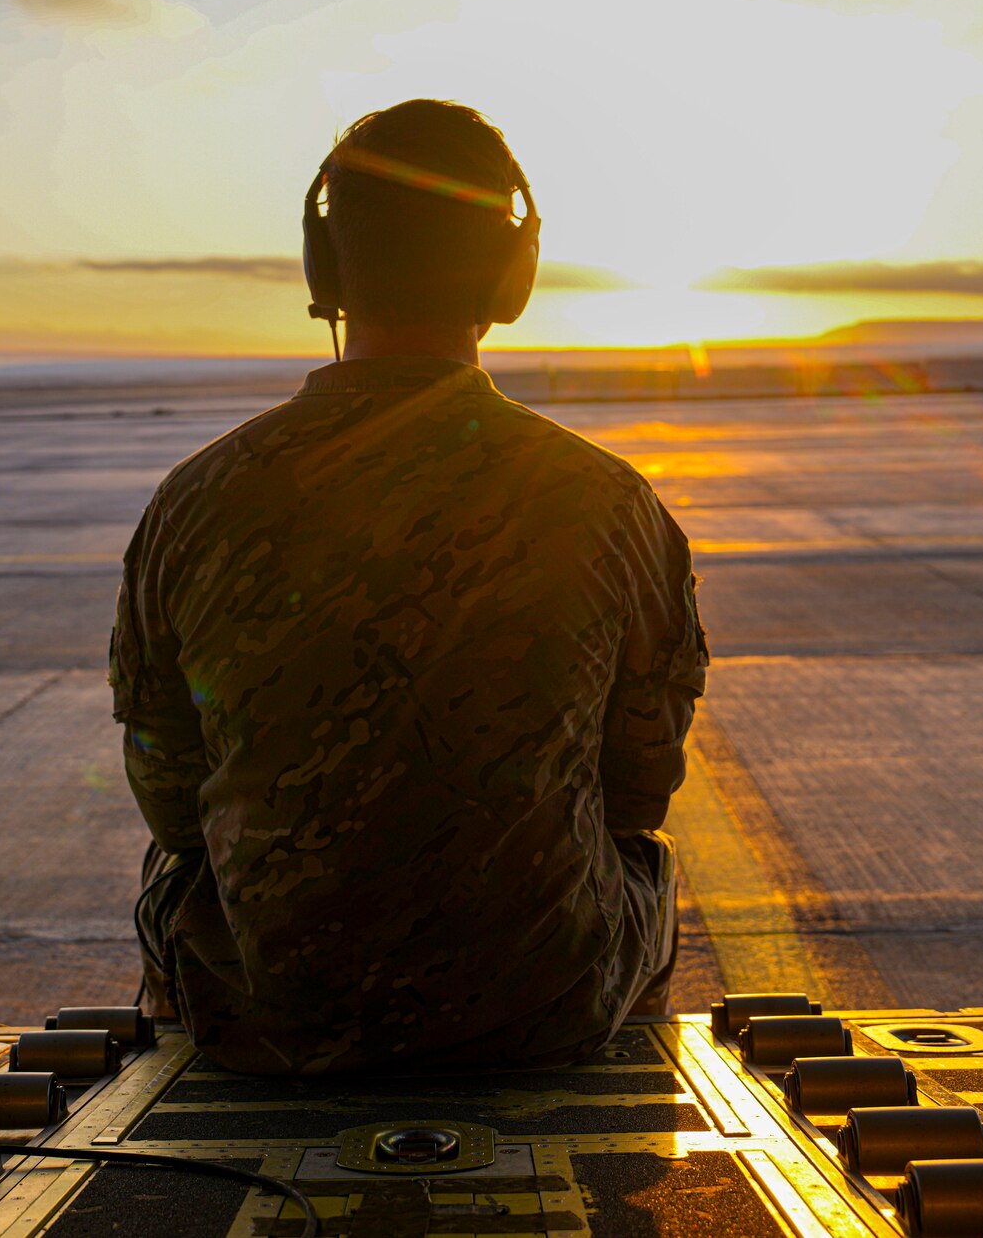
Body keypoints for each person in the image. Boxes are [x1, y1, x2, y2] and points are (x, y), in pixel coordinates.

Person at [109, 98, 707, 1075]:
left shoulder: (195, 500)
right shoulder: (609, 504)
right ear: (512, 277)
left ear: (324, 268)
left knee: (172, 875)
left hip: (265, 1014)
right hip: (540, 1007)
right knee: (646, 868)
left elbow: (173, 805)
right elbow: (637, 792)